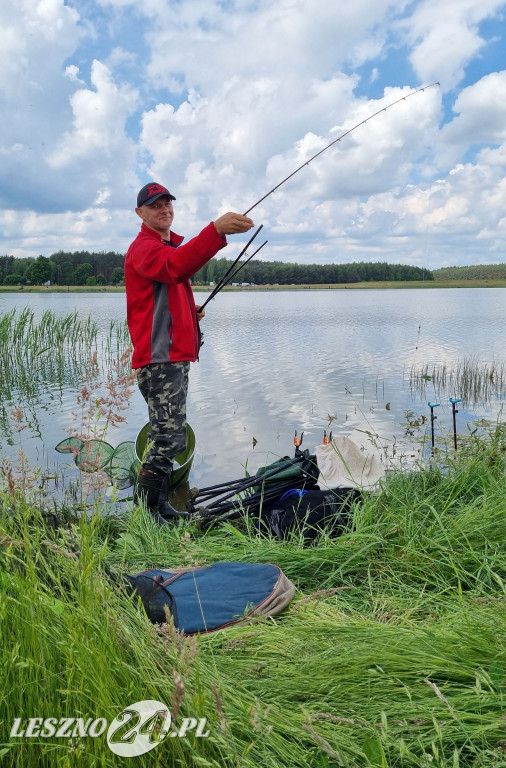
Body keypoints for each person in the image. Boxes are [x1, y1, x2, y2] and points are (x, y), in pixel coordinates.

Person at [125, 182, 254, 523]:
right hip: (160, 359)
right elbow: (176, 266)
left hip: (171, 358)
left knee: (170, 436)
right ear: (140, 213)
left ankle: (160, 506)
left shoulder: (163, 248)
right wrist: (215, 230)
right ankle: (147, 512)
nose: (164, 209)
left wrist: (188, 312)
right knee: (168, 439)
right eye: (155, 205)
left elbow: (164, 294)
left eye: (167, 203)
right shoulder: (144, 248)